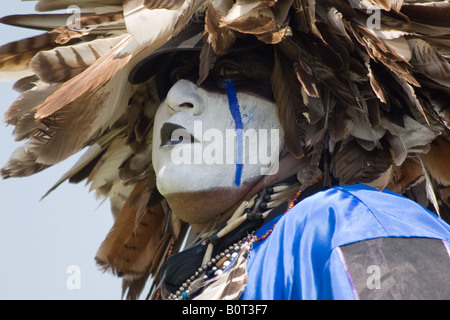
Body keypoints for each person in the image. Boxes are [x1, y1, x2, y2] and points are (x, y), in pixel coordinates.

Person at [2, 1, 450, 301]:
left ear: (310, 115)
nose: (177, 95)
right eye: (168, 82)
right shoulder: (189, 282)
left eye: (227, 71)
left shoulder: (351, 222)